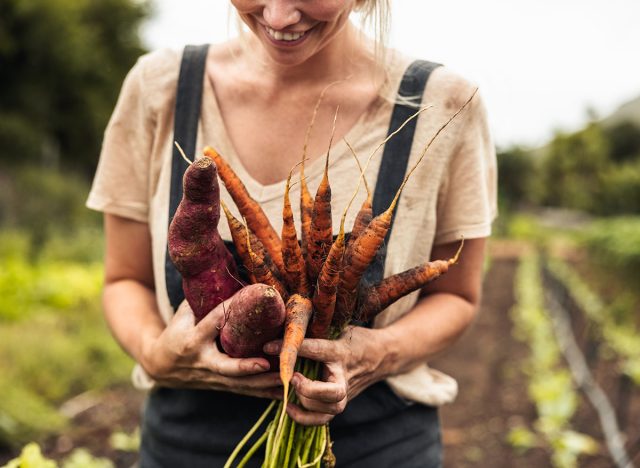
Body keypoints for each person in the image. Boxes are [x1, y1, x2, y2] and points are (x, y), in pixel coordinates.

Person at [87, 1, 497, 466]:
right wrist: (155, 355)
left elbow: (457, 297)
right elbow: (125, 279)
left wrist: (376, 353)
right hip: (185, 447)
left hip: (377, 448)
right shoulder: (158, 87)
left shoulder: (442, 103)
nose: (279, 15)